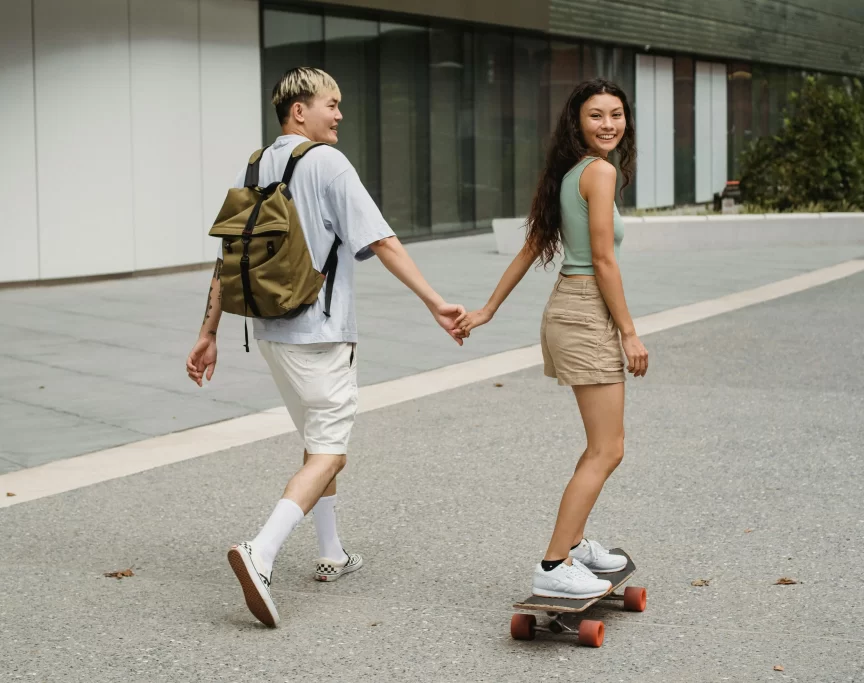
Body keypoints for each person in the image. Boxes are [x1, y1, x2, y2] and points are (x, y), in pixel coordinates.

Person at [186, 67, 465, 627]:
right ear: (299, 111)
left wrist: (209, 331)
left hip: (270, 333)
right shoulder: (327, 163)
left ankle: (331, 550)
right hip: (321, 333)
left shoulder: (257, 164)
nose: (339, 115)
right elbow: (381, 239)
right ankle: (260, 553)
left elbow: (228, 255)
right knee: (331, 451)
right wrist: (435, 301)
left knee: (317, 444)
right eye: (331, 104)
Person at [456, 79, 649, 599]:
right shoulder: (600, 172)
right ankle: (552, 562)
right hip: (587, 313)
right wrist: (629, 333)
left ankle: (576, 543)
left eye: (616, 115)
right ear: (577, 122)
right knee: (607, 449)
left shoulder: (572, 173)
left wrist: (487, 310)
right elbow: (603, 260)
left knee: (602, 446)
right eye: (596, 116)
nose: (608, 124)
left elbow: (532, 246)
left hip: (573, 308)